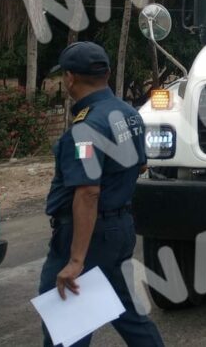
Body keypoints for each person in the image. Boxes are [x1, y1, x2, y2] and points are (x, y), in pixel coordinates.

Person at [40, 42, 164, 347]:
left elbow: (87, 193)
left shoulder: (86, 128)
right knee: (128, 315)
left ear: (70, 78)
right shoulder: (129, 113)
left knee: (66, 328)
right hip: (118, 227)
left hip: (87, 234)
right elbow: (142, 164)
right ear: (107, 73)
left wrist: (75, 260)